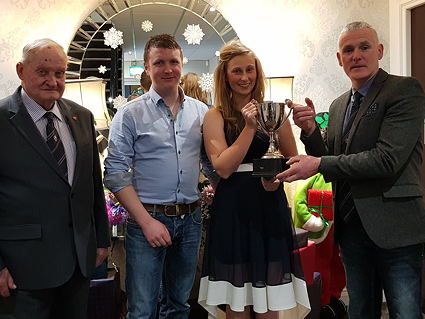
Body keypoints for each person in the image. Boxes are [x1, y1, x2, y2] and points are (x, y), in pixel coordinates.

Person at [277, 21, 425, 319]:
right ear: (339, 58)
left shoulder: (404, 90)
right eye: (348, 50)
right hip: (352, 228)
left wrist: (318, 163)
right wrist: (309, 132)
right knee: (360, 310)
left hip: (397, 227)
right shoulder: (338, 105)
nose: (356, 55)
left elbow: (387, 159)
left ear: (379, 51)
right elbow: (333, 163)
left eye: (364, 47)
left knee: (406, 312)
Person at [198, 41, 310, 319]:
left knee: (268, 297)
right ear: (225, 76)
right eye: (237, 71)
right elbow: (223, 167)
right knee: (237, 302)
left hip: (268, 208)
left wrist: (277, 180)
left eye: (250, 70)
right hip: (232, 211)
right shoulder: (215, 116)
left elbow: (291, 160)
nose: (245, 77)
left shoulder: (274, 112)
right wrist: (249, 127)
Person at [0, 38, 109, 319]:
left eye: (59, 73)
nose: (53, 81)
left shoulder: (82, 116)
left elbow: (92, 185)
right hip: (22, 269)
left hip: (77, 263)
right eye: (43, 72)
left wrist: (101, 240)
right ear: (21, 70)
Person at [103, 34, 209, 319]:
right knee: (142, 310)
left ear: (182, 64)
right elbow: (114, 174)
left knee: (179, 305)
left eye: (173, 62)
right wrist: (147, 222)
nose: (167, 69)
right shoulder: (129, 114)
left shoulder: (202, 113)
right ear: (147, 68)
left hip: (190, 221)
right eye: (159, 62)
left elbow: (211, 164)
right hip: (146, 220)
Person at [293, 173, 347, 319]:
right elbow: (299, 200)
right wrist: (309, 219)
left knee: (337, 264)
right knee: (319, 267)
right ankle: (321, 302)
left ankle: (332, 297)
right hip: (316, 232)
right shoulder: (309, 175)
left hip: (333, 227)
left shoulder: (338, 170)